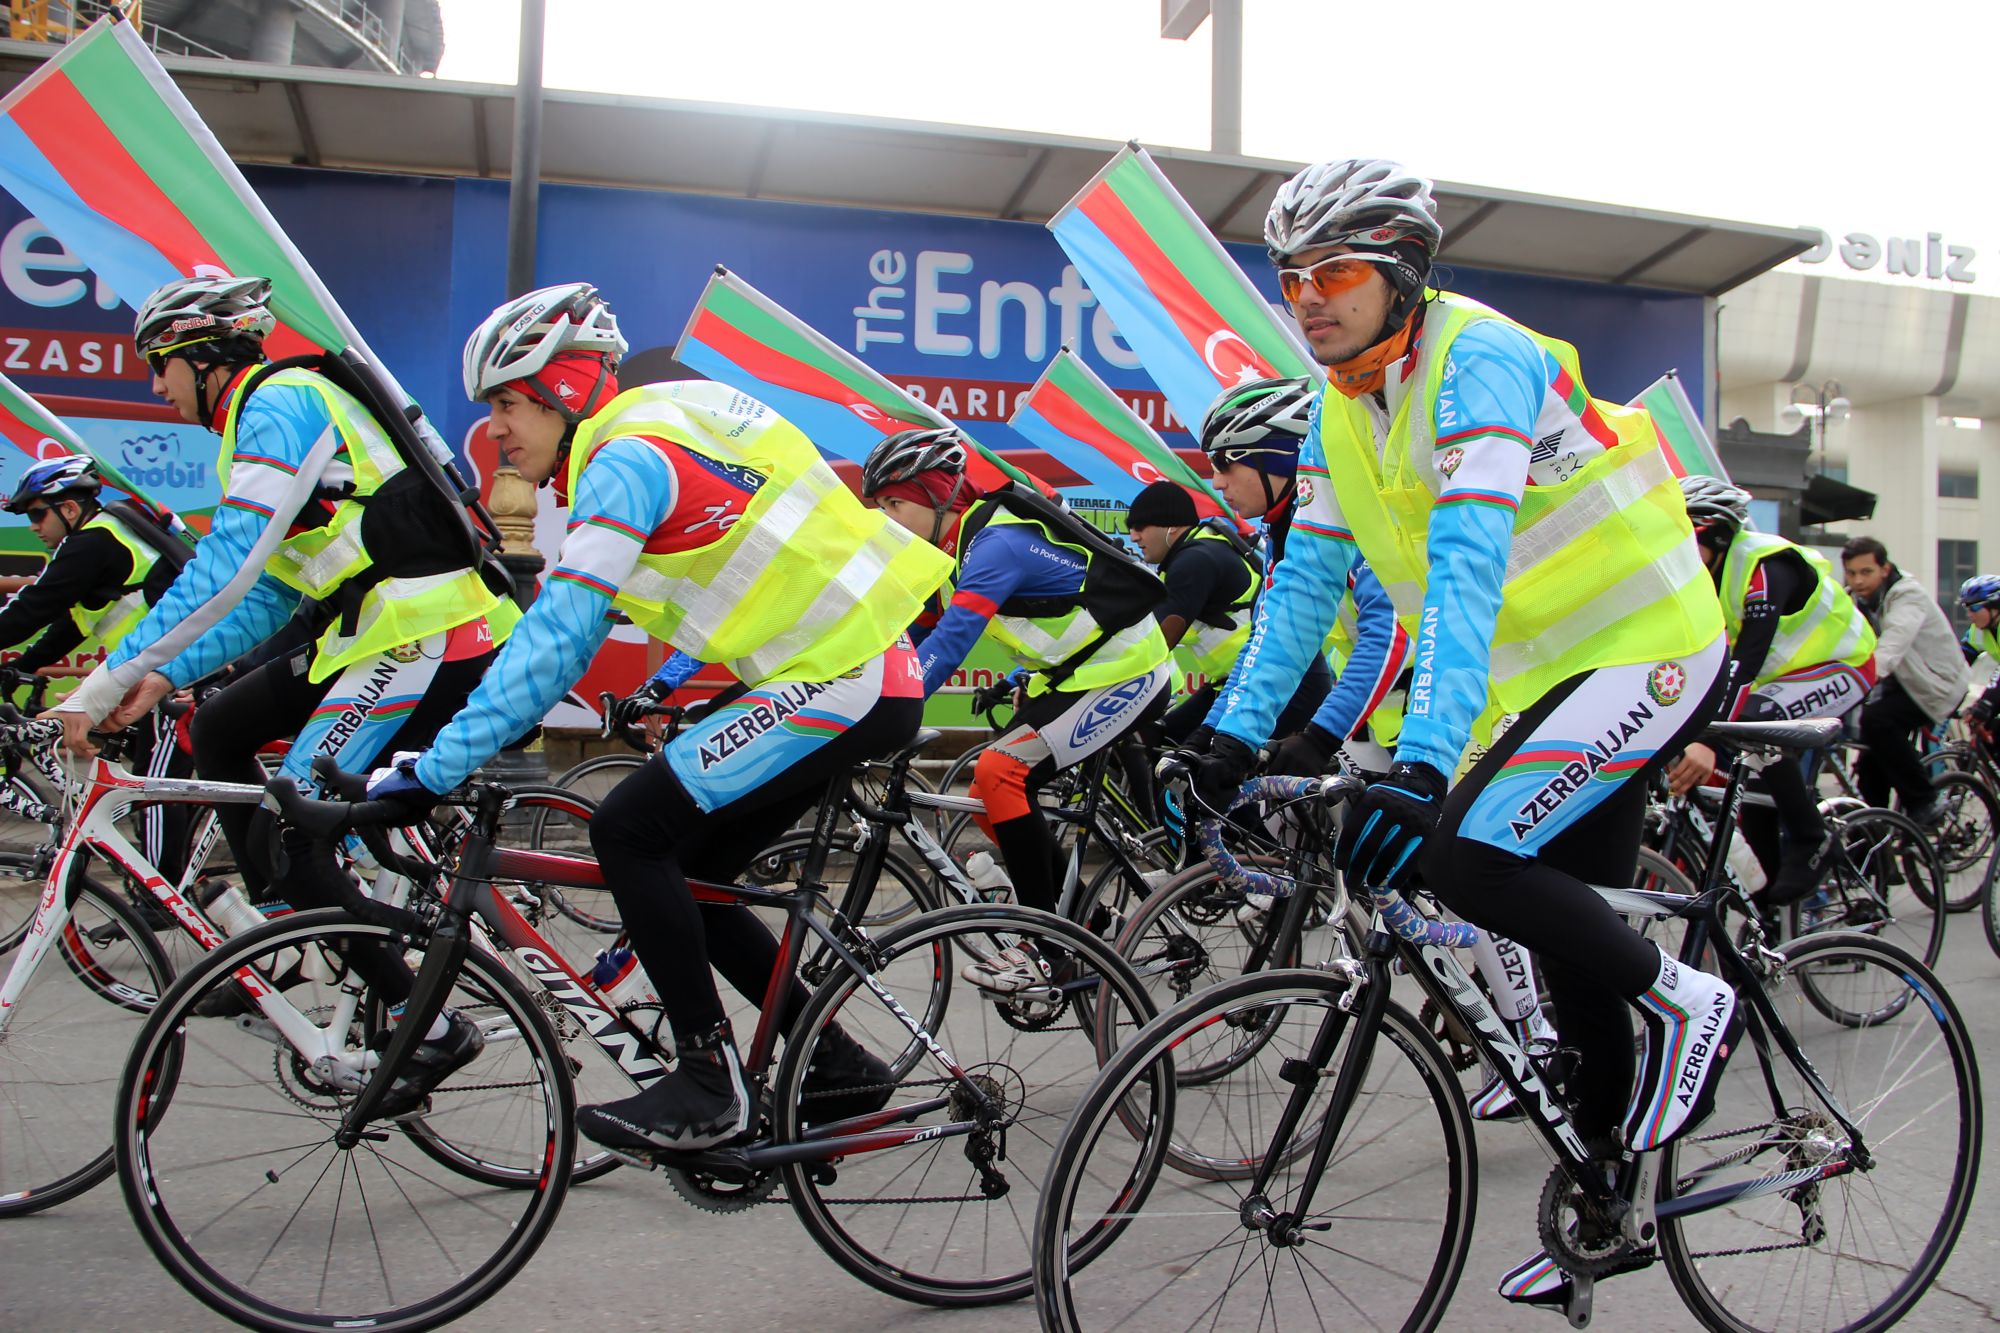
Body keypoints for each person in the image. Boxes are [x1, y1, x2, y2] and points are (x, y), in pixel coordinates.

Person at [1178, 158, 1739, 1306]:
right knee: (1565, 944)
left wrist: (1425, 764)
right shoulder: (1342, 403)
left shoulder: (1478, 356)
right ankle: (1604, 1199)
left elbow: (1466, 565)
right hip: (1540, 675)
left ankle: (1691, 1005)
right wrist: (1228, 738)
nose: (1308, 297)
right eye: (1290, 279)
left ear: (1400, 271)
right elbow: (1303, 589)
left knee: (1465, 853)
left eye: (1333, 271)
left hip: (1645, 642)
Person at [366, 283, 952, 1153]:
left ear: (564, 389)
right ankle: (838, 1067)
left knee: (628, 830)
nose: (494, 429)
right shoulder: (671, 417)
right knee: (694, 871)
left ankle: (708, 1082)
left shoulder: (626, 459)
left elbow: (562, 634)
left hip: (843, 673)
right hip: (849, 669)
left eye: (507, 403)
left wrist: (437, 766)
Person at [50, 274, 518, 1116]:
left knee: (294, 830)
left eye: (160, 365)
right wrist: (163, 677)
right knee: (218, 728)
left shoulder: (283, 402)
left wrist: (104, 679)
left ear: (203, 354)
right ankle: (284, 937)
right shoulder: (251, 431)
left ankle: (433, 1024)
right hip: (363, 632)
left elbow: (226, 566)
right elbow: (267, 591)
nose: (156, 386)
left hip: (425, 631)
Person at [861, 426, 1170, 988]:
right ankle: (1091, 923)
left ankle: (1047, 946)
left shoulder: (995, 546)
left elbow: (951, 642)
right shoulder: (948, 555)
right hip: (1074, 679)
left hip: (1131, 673)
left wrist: (885, 716)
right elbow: (907, 636)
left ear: (936, 496)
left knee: (1000, 770)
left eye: (893, 504)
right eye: (877, 507)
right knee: (986, 794)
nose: (884, 519)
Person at [1667, 476, 1876, 904]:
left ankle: (1811, 836)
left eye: (1684, 536)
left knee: (1751, 718)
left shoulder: (1763, 564)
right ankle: (1777, 917)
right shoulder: (1706, 575)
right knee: (1752, 783)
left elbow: (1749, 657)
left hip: (1844, 665)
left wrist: (1707, 737)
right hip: (1781, 682)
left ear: (1717, 532)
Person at [1194, 376, 1407, 776]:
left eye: (1224, 462)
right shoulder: (1284, 531)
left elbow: (1392, 634)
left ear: (1277, 457)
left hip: (1462, 714)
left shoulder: (1353, 516)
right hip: (1377, 717)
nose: (1217, 481)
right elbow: (1264, 641)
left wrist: (1321, 735)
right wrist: (1210, 734)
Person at [0, 455, 193, 878]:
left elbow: (34, 607)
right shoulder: (103, 539)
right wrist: (22, 664)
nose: (33, 526)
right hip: (155, 666)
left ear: (69, 509)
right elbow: (71, 623)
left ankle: (159, 895)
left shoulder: (93, 541)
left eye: (36, 513)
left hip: (172, 671)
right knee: (143, 770)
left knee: (153, 785)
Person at [1840, 537, 1967, 823]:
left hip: (1935, 684)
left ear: (1884, 569)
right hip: (1897, 685)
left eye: (1866, 572)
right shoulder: (1852, 600)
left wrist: (1858, 681)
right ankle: (1872, 839)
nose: (1858, 581)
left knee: (1877, 721)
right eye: (1851, 573)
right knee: (1871, 768)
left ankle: (1924, 801)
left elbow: (1893, 644)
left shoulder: (1907, 595)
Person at [1959, 574, 2000, 757]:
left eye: (1974, 607)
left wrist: (1985, 704)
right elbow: (1959, 661)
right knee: (1985, 726)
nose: (1969, 614)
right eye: (1966, 607)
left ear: (1995, 607)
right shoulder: (1978, 630)